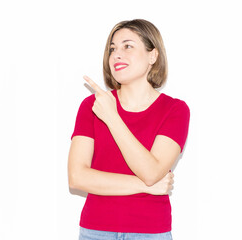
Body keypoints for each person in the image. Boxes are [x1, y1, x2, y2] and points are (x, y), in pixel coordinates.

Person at [68, 19, 190, 240]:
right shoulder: (92, 106)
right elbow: (77, 177)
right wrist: (146, 187)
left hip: (150, 232)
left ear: (153, 56)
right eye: (112, 48)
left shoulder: (175, 110)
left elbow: (151, 172)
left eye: (128, 46)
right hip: (96, 230)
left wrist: (112, 118)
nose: (116, 54)